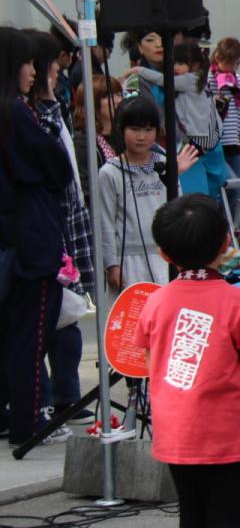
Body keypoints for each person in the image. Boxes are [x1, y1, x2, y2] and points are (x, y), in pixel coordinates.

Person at [132, 194, 240, 528]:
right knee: (225, 514)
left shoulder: (155, 301)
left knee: (190, 512)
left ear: (164, 253)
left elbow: (152, 366)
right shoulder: (238, 302)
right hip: (225, 433)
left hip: (175, 432)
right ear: (225, 244)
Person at [0, 27, 73, 448]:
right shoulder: (18, 114)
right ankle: (28, 422)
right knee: (31, 336)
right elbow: (58, 168)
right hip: (32, 240)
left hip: (14, 239)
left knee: (14, 333)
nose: (34, 72)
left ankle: (14, 417)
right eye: (30, 64)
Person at [25, 30, 96, 427]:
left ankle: (68, 393)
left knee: (68, 316)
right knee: (44, 319)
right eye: (51, 63)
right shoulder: (26, 113)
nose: (55, 70)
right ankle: (47, 400)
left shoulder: (53, 105)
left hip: (67, 218)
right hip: (44, 227)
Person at [97, 96, 199, 291]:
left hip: (165, 257)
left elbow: (177, 211)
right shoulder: (109, 173)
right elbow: (105, 223)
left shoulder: (165, 165)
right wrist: (111, 264)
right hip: (127, 260)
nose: (141, 136)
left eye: (148, 129)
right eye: (134, 129)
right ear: (121, 129)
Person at [130, 39, 226, 202]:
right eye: (150, 39)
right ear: (139, 45)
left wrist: (138, 70)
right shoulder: (196, 80)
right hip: (185, 147)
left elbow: (163, 80)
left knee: (195, 200)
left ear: (194, 64)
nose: (159, 44)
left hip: (190, 146)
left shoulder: (186, 80)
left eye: (162, 39)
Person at [209, 37, 240, 232]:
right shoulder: (208, 79)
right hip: (216, 145)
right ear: (218, 57)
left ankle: (233, 229)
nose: (233, 67)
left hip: (233, 145)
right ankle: (222, 228)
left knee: (237, 190)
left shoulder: (238, 81)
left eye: (237, 63)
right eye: (230, 62)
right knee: (222, 188)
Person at [72, 75, 123, 210]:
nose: (117, 100)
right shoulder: (83, 142)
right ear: (92, 102)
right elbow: (88, 190)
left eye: (119, 94)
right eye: (109, 96)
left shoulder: (123, 134)